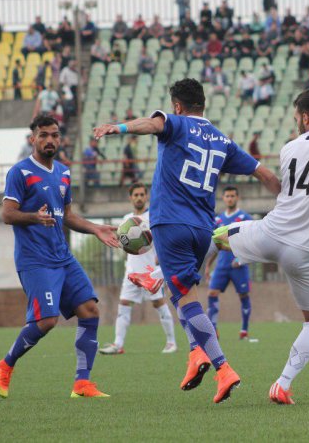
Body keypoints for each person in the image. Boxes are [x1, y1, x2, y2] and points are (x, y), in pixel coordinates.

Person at [94, 78, 281, 404]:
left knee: (184, 298)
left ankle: (223, 369)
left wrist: (119, 128)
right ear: (203, 105)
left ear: (177, 106)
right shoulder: (223, 141)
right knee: (180, 293)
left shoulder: (175, 124)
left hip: (171, 225)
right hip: (204, 230)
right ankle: (196, 353)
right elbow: (265, 174)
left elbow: (150, 124)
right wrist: (291, 202)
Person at [212, 89, 309, 405]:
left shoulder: (289, 147)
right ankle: (282, 384)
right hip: (302, 252)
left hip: (270, 233)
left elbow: (296, 197)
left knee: (217, 235)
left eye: (296, 118)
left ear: (305, 117)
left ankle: (161, 275)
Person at [0, 114, 119, 399]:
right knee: (47, 321)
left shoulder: (63, 172)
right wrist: (33, 218)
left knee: (90, 311)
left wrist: (96, 228)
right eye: (43, 135)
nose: (50, 140)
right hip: (35, 260)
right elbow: (7, 214)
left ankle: (82, 384)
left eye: (54, 135)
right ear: (33, 138)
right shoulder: (20, 173)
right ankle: (5, 365)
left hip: (63, 257)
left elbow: (68, 216)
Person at [99, 183, 177, 356]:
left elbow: (163, 238)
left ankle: (171, 342)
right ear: (131, 197)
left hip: (151, 269)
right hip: (132, 270)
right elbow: (124, 243)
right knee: (124, 304)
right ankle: (118, 344)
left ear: (146, 196)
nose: (139, 197)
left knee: (159, 303)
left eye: (142, 194)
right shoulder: (127, 219)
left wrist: (161, 257)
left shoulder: (154, 216)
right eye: (136, 195)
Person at [203, 187, 253, 339]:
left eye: (232, 196)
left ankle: (244, 331)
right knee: (211, 293)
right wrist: (208, 265)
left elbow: (252, 242)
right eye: (227, 196)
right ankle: (213, 328)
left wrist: (241, 259)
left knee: (243, 295)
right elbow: (215, 244)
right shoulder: (218, 220)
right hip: (222, 266)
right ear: (223, 198)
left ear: (237, 197)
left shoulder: (245, 217)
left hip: (239, 266)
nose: (230, 198)